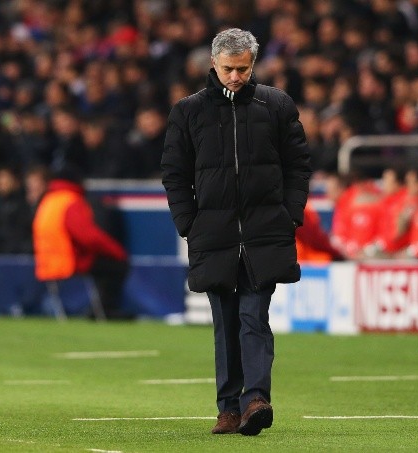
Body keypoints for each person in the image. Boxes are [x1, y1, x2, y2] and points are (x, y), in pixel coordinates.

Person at [162, 28, 311, 436]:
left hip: (265, 233)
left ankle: (256, 399)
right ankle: (228, 407)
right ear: (213, 64)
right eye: (228, 69)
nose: (235, 77)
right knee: (225, 322)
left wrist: (290, 215)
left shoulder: (276, 105)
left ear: (253, 64)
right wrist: (189, 224)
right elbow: (174, 174)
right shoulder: (188, 112)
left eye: (242, 69)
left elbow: (298, 165)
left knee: (253, 316)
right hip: (213, 234)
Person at [32, 165, 130, 319]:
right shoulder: (70, 200)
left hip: (47, 263)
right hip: (68, 261)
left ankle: (99, 310)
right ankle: (105, 310)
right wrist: (116, 251)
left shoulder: (48, 201)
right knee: (117, 265)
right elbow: (88, 237)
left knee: (104, 266)